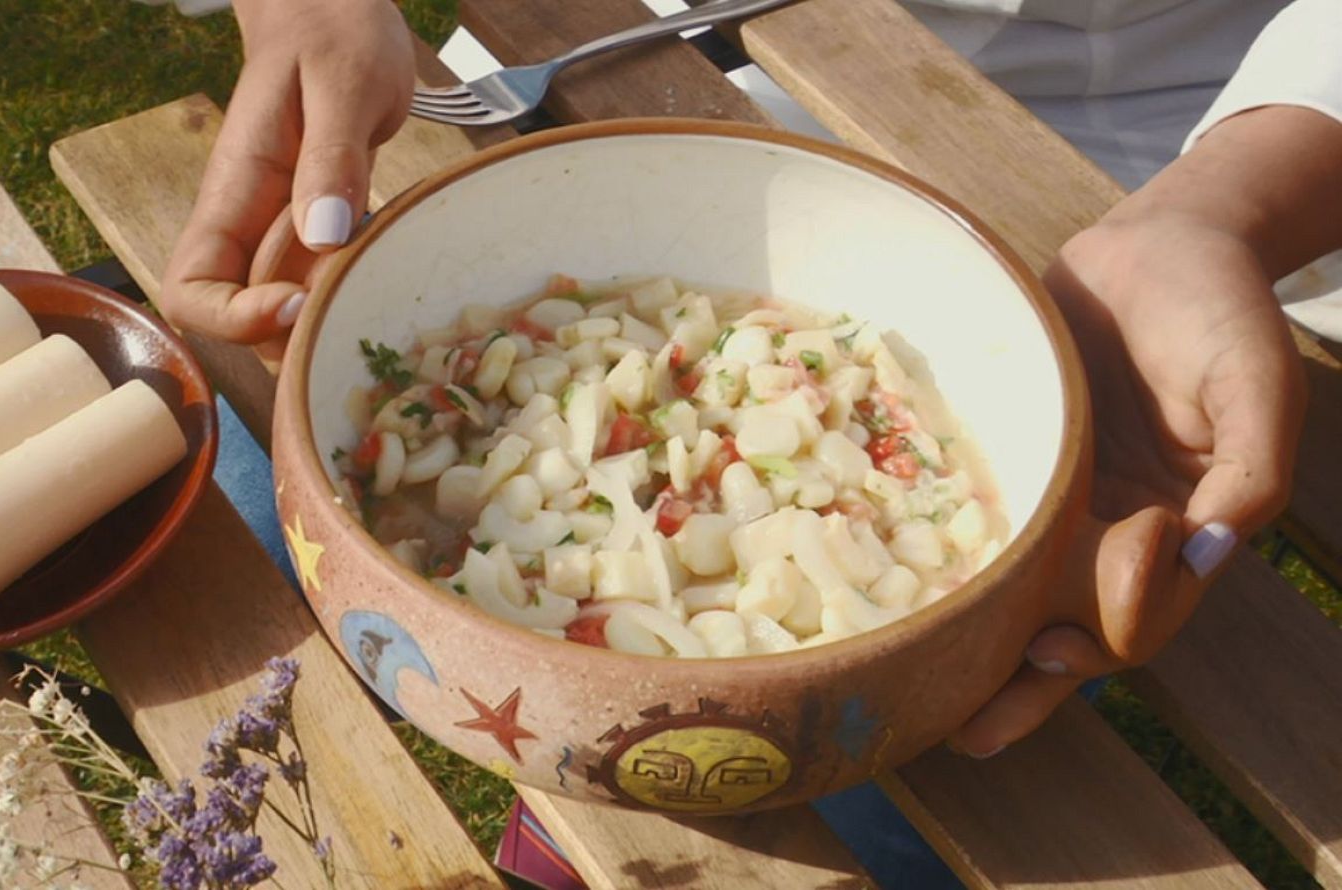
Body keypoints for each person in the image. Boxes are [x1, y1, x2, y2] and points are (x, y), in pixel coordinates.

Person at [151, 0, 1339, 883]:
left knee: (923, 806)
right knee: (243, 491)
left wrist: (1221, 205)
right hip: (600, 48)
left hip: (1184, 133)